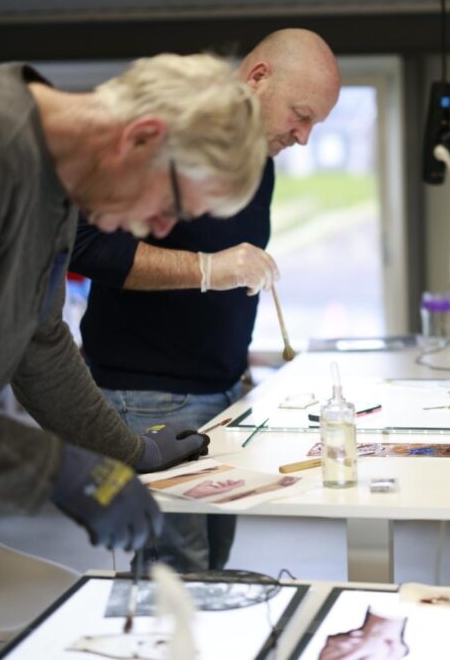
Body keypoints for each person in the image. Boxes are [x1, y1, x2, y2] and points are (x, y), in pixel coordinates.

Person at [0, 53, 266, 659]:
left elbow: (39, 341)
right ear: (142, 137)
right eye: (174, 208)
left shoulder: (55, 184)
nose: (161, 229)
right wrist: (56, 471)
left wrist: (129, 453)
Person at [70, 28, 341, 572]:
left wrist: (238, 365)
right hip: (147, 395)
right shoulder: (167, 132)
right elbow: (88, 243)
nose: (304, 137)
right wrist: (206, 269)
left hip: (219, 390)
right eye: (301, 115)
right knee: (176, 576)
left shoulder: (259, 158)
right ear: (258, 78)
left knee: (212, 567)